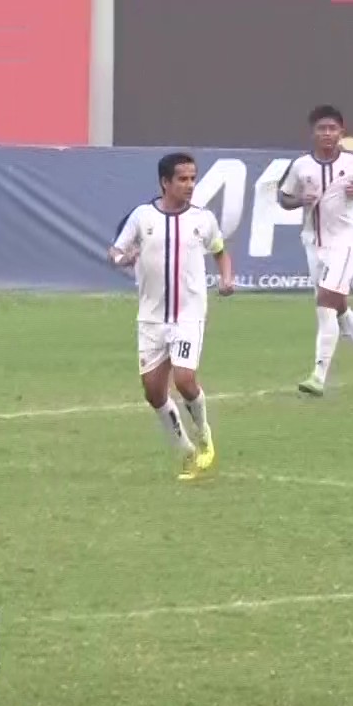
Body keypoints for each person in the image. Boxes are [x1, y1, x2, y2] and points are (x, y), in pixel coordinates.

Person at [109, 153, 235, 481]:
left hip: (188, 315)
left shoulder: (203, 219)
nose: (189, 185)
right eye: (182, 179)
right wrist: (124, 258)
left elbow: (220, 251)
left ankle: (204, 434)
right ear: (165, 182)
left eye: (193, 178)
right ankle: (186, 450)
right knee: (153, 392)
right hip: (151, 318)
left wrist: (226, 277)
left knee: (184, 379)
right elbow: (116, 251)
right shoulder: (142, 216)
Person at [278, 105, 353, 396]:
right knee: (337, 305)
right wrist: (300, 200)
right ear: (313, 133)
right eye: (321, 129)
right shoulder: (301, 166)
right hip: (313, 243)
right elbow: (283, 198)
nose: (327, 133)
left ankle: (318, 376)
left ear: (341, 132)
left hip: (346, 243)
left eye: (332, 129)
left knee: (325, 303)